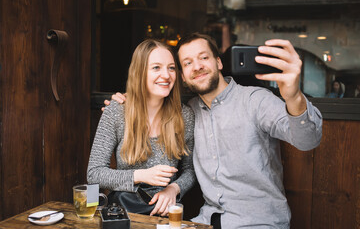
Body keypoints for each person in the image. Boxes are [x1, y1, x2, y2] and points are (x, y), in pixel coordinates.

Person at [107, 33, 323, 229]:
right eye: (187, 63)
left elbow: (308, 140)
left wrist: (293, 96)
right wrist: (125, 104)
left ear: (218, 62)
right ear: (182, 76)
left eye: (204, 58)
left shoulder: (255, 100)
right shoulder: (187, 112)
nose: (197, 66)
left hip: (259, 222)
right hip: (207, 220)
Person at [88, 39, 196, 217]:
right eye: (156, 68)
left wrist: (173, 189)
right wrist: (140, 175)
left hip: (166, 214)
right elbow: (94, 173)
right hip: (125, 213)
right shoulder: (116, 111)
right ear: (139, 73)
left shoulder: (184, 116)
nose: (166, 75)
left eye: (171, 68)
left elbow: (190, 170)